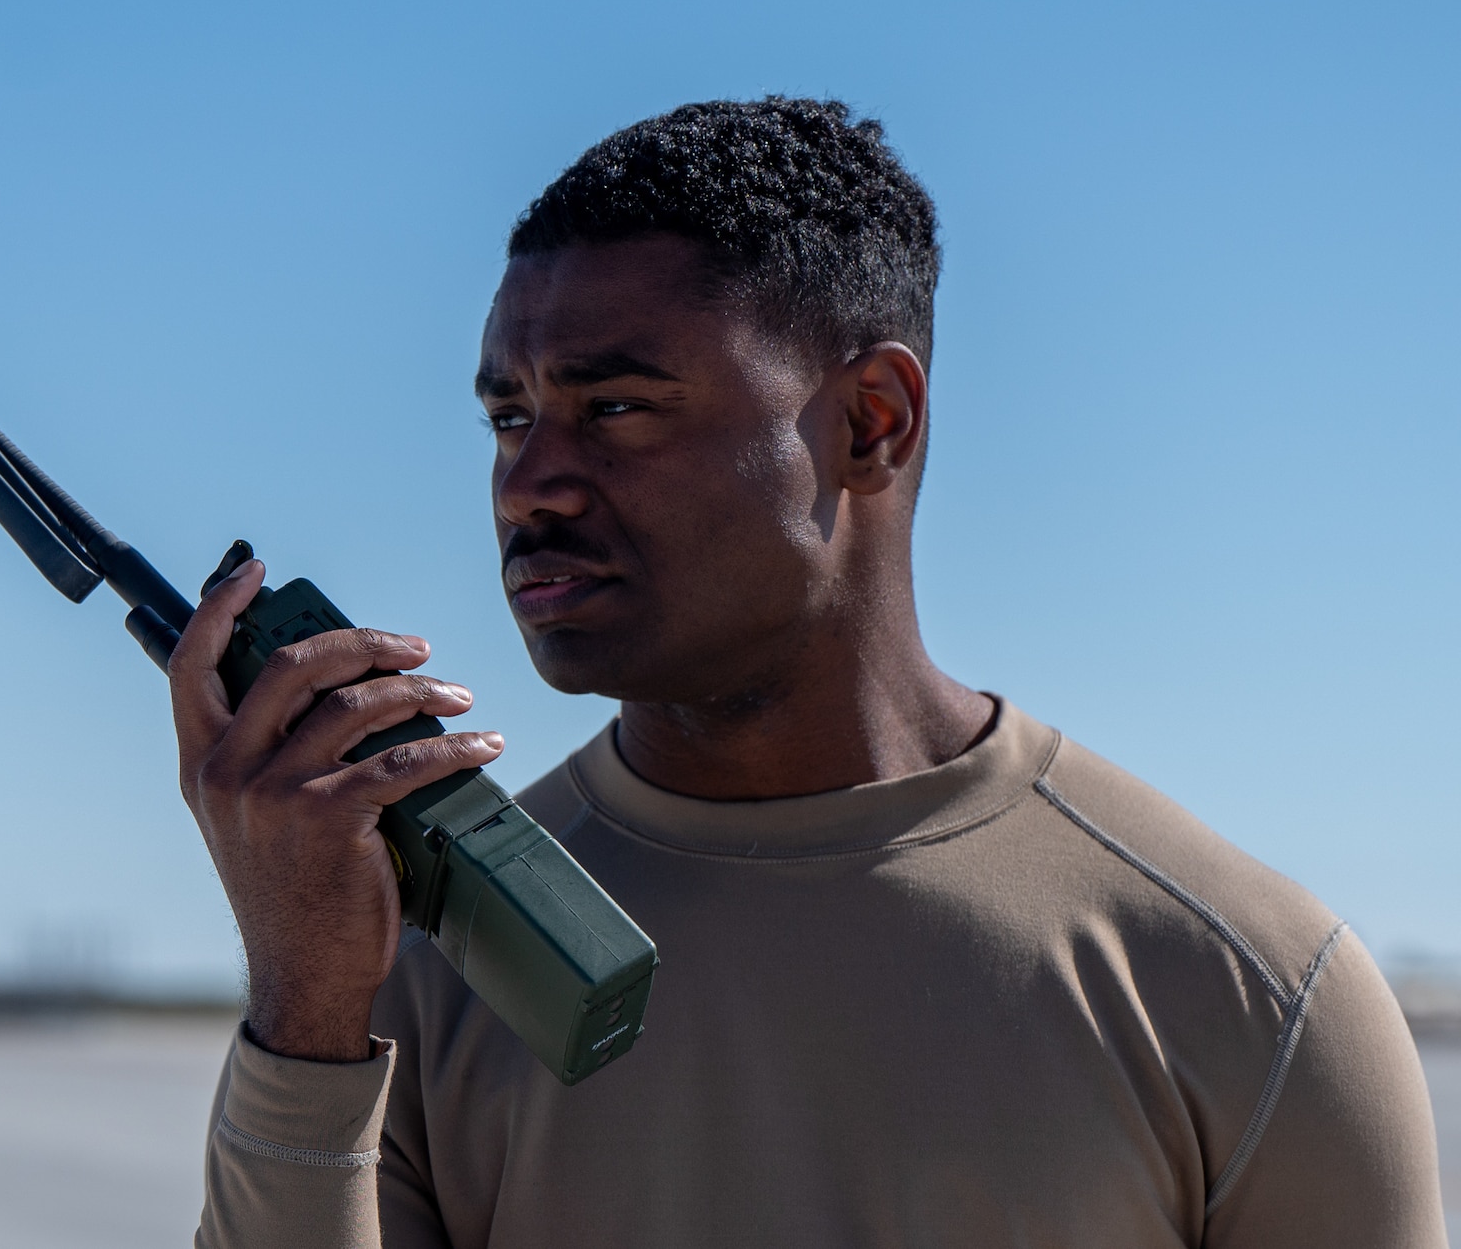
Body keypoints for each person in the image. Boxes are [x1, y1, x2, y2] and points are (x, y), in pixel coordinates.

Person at [168, 98, 1446, 1247]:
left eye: (615, 407)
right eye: (509, 417)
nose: (528, 485)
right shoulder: (406, 975)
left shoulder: (1242, 984)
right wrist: (304, 1013)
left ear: (869, 420)